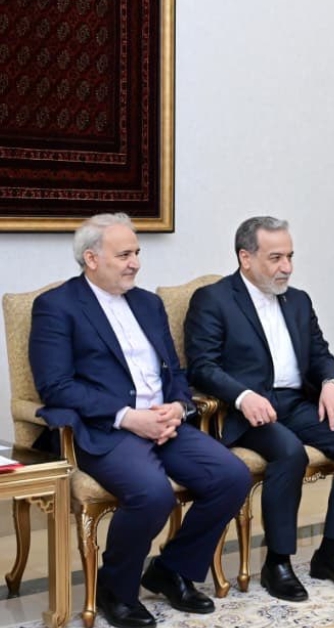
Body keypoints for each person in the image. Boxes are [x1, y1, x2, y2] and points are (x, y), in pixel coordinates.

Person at [28, 213, 253, 628]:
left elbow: (175, 373)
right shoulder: (57, 307)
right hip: (105, 430)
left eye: (136, 253)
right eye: (124, 255)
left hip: (165, 425)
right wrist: (128, 417)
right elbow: (56, 386)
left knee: (232, 477)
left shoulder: (148, 304)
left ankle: (171, 570)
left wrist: (178, 407)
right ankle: (116, 590)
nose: (135, 263)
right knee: (152, 495)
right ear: (91, 259)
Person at [183, 216, 334, 602]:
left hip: (295, 403)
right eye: (275, 258)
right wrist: (242, 396)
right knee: (289, 452)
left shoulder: (298, 300)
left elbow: (320, 354)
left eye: (289, 256)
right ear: (246, 258)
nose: (286, 267)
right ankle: (278, 562)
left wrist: (330, 383)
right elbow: (202, 366)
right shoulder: (213, 299)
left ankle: (330, 554)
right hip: (245, 411)